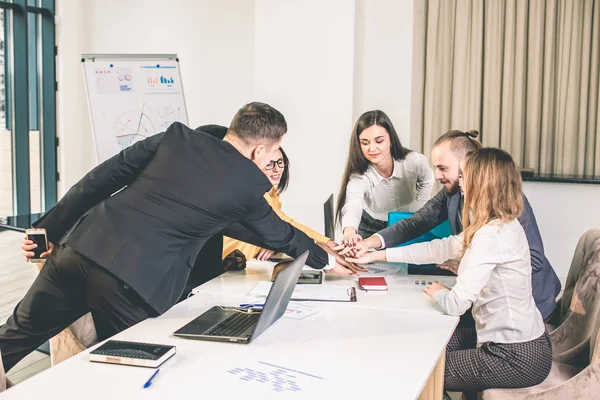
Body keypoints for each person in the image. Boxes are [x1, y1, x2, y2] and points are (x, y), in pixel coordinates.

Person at [2, 102, 363, 373]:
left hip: (77, 250)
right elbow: (280, 234)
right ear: (260, 150)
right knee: (141, 374)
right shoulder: (245, 185)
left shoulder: (174, 139)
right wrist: (330, 261)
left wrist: (44, 230)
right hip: (131, 282)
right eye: (273, 152)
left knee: (12, 339)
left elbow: (98, 181)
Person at [347, 148, 552, 399]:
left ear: (481, 183)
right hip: (521, 342)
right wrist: (376, 255)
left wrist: (440, 292)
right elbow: (442, 248)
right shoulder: (497, 224)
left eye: (465, 176)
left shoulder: (491, 236)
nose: (459, 182)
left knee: (421, 370)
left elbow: (456, 304)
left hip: (516, 355)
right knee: (427, 344)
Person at [342, 130, 561, 321]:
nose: (436, 175)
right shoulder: (453, 192)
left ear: (468, 163)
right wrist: (371, 245)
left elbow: (534, 259)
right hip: (484, 304)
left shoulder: (505, 202)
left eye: (442, 168)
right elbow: (419, 225)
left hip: (529, 306)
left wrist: (470, 266)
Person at [335, 110, 434, 246]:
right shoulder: (359, 177)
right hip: (371, 227)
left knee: (410, 261)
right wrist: (350, 232)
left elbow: (427, 180)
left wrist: (415, 210)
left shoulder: (415, 161)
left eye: (379, 141)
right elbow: (353, 203)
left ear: (391, 140)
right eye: (365, 143)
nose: (372, 148)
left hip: (408, 221)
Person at [222, 146, 334, 262]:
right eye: (269, 164)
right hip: (225, 266)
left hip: (245, 264)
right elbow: (282, 224)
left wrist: (274, 245)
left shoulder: (271, 192)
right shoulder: (255, 194)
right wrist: (327, 242)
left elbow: (277, 229)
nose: (277, 169)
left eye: (280, 162)